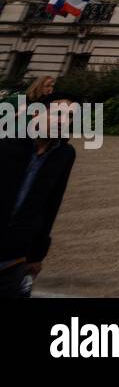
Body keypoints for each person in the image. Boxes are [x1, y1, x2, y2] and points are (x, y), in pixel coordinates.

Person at [0, 93, 77, 298]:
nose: (63, 121)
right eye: (58, 114)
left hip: (15, 255)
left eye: (70, 117)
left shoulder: (64, 154)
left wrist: (37, 254)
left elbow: (51, 204)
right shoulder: (6, 144)